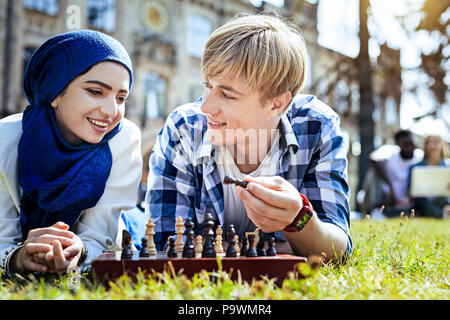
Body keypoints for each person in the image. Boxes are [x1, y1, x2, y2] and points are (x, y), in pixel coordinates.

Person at [146, 13, 352, 263]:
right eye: (208, 85)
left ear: (276, 104)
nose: (206, 107)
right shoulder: (184, 129)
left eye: (228, 95)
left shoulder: (317, 127)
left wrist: (299, 219)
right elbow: (164, 241)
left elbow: (338, 249)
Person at [0, 30, 142, 276]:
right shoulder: (4, 139)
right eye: (96, 91)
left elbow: (103, 236)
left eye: (121, 97)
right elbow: (3, 236)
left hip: (128, 226)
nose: (111, 111)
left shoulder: (124, 138)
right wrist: (18, 257)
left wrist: (81, 251)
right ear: (54, 91)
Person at [367, 130, 423, 217]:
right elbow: (373, 158)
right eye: (405, 144)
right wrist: (390, 186)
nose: (409, 147)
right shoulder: (390, 151)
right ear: (397, 144)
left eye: (411, 144)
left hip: (410, 196)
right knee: (372, 173)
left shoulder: (420, 155)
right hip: (388, 195)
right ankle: (373, 208)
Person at [409, 134, 449, 218]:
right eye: (429, 143)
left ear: (442, 145)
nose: (432, 146)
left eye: (436, 142)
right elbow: (410, 190)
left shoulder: (448, 166)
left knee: (444, 201)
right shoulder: (415, 168)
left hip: (443, 200)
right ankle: (443, 215)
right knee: (423, 203)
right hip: (423, 202)